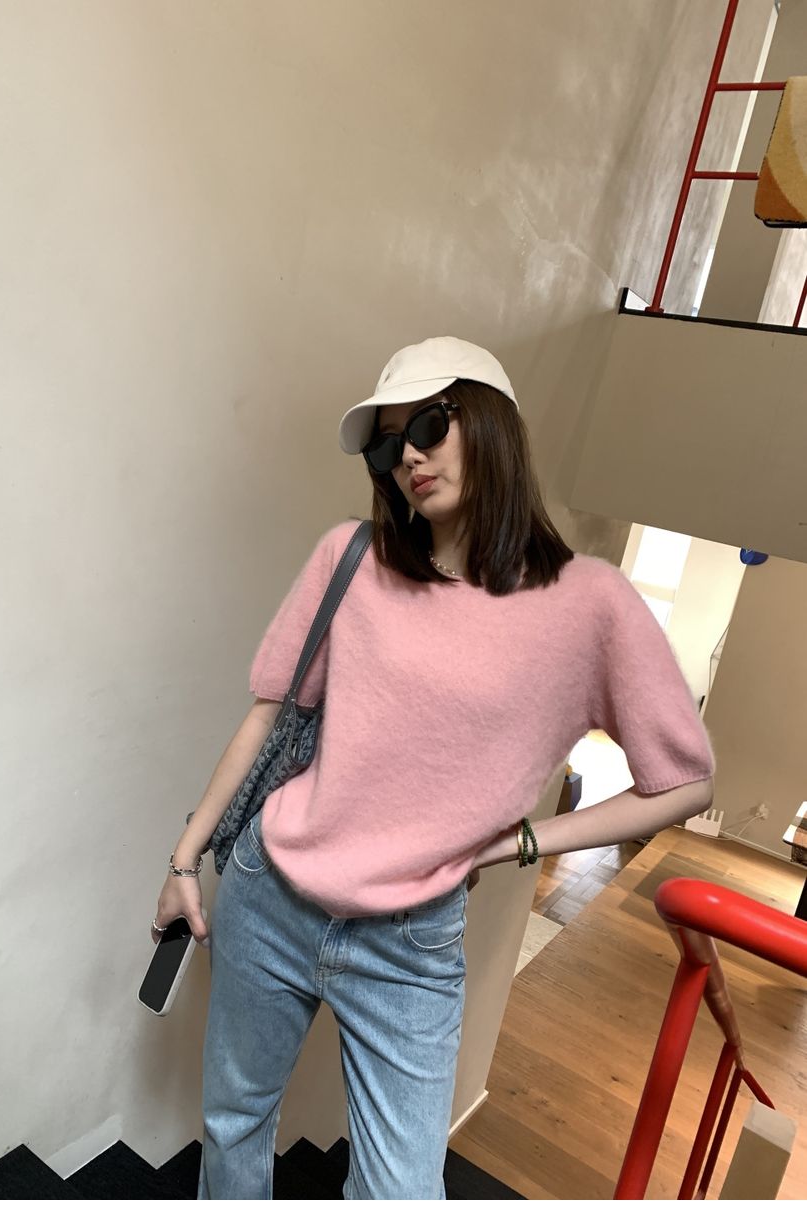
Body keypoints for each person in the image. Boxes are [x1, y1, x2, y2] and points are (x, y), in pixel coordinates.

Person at [151, 336, 715, 1200]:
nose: (408, 457)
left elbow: (685, 780)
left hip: (411, 945)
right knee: (236, 1121)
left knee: (402, 1191)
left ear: (490, 423)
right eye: (387, 447)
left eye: (427, 426)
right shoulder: (351, 559)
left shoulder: (587, 603)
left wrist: (522, 842)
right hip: (272, 895)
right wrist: (185, 860)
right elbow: (268, 714)